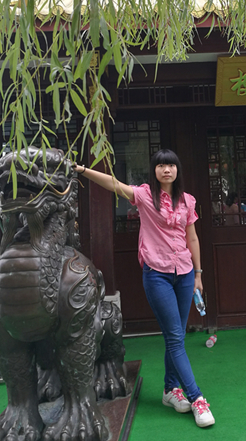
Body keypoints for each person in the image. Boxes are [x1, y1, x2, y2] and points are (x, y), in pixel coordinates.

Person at [73, 149, 215, 428]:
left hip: (185, 273)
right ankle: (196, 397)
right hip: (157, 274)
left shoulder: (187, 200)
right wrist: (83, 171)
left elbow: (193, 239)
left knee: (176, 336)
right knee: (175, 338)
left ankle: (170, 390)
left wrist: (198, 274)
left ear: (177, 170)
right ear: (154, 170)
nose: (166, 170)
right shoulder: (144, 196)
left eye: (171, 165)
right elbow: (114, 184)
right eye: (161, 165)